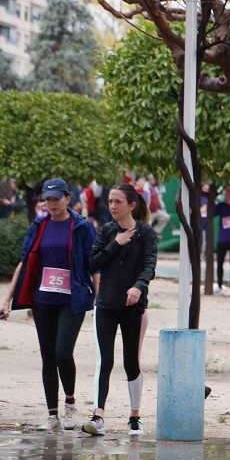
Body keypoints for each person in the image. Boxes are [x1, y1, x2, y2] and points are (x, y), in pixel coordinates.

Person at [0, 179, 97, 431]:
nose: (51, 203)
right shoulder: (39, 225)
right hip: (42, 300)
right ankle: (52, 416)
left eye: (56, 198)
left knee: (63, 351)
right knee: (48, 356)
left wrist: (99, 296)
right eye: (47, 199)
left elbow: (94, 263)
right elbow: (24, 262)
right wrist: (8, 299)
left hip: (72, 299)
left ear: (67, 198)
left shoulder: (81, 227)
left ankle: (70, 404)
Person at [84, 184, 158, 437]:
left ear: (132, 205)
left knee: (130, 361)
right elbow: (93, 262)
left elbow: (149, 265)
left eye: (118, 201)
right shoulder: (106, 231)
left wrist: (138, 287)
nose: (113, 206)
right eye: (110, 201)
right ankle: (98, 415)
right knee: (104, 360)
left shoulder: (146, 233)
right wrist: (115, 243)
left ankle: (135, 417)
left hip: (133, 307)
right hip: (105, 304)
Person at [215, 183, 230, 296]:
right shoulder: (221, 205)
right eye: (227, 191)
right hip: (222, 239)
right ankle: (219, 286)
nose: (229, 193)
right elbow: (213, 213)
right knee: (219, 263)